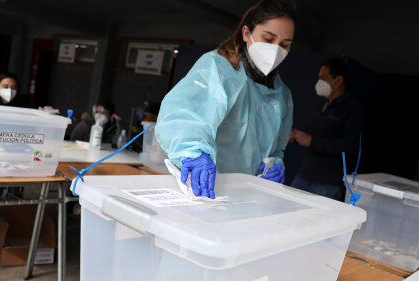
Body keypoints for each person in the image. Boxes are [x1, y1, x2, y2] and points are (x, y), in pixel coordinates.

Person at [155, 0, 296, 199]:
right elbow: (184, 116)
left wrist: (276, 163)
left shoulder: (281, 95)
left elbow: (276, 147)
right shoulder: (219, 70)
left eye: (284, 45)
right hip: (205, 188)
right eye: (268, 38)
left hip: (248, 195)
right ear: (247, 34)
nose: (276, 50)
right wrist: (194, 152)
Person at [289, 58, 363, 200]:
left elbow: (349, 145)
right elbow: (309, 134)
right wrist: (296, 136)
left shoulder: (352, 108)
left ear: (338, 80)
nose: (319, 82)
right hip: (304, 175)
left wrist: (312, 141)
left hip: (328, 183)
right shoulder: (320, 106)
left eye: (323, 78)